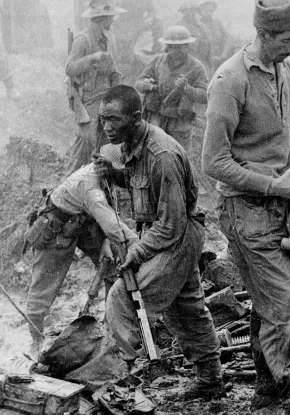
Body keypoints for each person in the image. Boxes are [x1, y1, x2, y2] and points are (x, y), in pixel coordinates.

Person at [201, 0, 290, 412]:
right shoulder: (229, 80)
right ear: (265, 34)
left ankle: (267, 387)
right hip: (247, 211)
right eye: (288, 39)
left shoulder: (287, 69)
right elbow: (214, 162)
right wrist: (275, 185)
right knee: (284, 303)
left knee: (278, 300)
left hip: (286, 206)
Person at [95, 85, 223, 399]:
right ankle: (211, 381)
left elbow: (171, 224)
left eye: (114, 119)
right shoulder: (132, 144)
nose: (107, 127)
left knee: (123, 297)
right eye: (103, 119)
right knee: (186, 308)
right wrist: (115, 175)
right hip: (166, 231)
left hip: (177, 235)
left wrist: (137, 251)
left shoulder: (161, 154)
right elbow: (145, 187)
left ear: (136, 118)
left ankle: (126, 376)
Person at [23, 146, 138, 354]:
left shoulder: (105, 179)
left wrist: (105, 242)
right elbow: (114, 226)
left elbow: (111, 212)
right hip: (57, 228)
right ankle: (35, 343)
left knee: (113, 267)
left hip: (86, 222)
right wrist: (142, 244)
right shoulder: (91, 188)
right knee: (42, 290)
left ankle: (111, 328)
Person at [65, 0, 125, 173]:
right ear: (102, 18)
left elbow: (112, 68)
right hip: (88, 101)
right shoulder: (83, 40)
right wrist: (91, 59)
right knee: (87, 142)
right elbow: (69, 68)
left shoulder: (105, 38)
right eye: (110, 17)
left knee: (109, 142)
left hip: (106, 99)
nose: (113, 20)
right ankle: (68, 183)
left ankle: (104, 181)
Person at [135, 25, 208, 154]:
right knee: (153, 155)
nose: (176, 50)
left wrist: (187, 88)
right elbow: (138, 83)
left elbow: (204, 96)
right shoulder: (157, 61)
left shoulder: (196, 67)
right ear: (167, 46)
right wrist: (147, 85)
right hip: (156, 119)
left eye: (181, 46)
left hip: (180, 122)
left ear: (187, 46)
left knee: (180, 157)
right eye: (172, 46)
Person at [177, 1, 212, 75]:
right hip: (184, 61)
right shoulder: (178, 26)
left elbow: (208, 41)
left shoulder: (201, 26)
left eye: (192, 10)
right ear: (183, 12)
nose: (190, 13)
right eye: (187, 11)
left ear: (195, 11)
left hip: (201, 59)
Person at [197, 1, 232, 70]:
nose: (208, 13)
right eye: (205, 11)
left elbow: (228, 37)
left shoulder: (217, 22)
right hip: (205, 61)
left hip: (220, 58)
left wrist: (224, 53)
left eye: (210, 11)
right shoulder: (197, 25)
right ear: (200, 11)